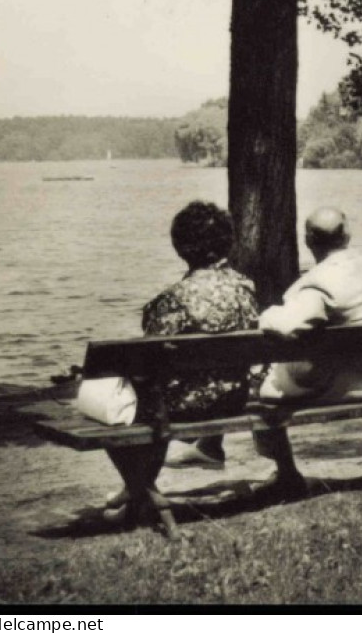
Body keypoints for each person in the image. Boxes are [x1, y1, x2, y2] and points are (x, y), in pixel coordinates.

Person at [105, 202, 258, 512]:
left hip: (181, 407)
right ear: (227, 242)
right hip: (234, 398)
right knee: (154, 395)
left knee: (114, 404)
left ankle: (140, 489)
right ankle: (136, 487)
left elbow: (147, 362)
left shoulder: (171, 300)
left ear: (180, 246)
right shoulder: (246, 289)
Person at [251, 207, 362, 497]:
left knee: (256, 383)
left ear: (308, 240)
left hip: (330, 385)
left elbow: (286, 325)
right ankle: (210, 447)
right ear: (347, 235)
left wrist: (267, 314)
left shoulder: (319, 283)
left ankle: (286, 474)